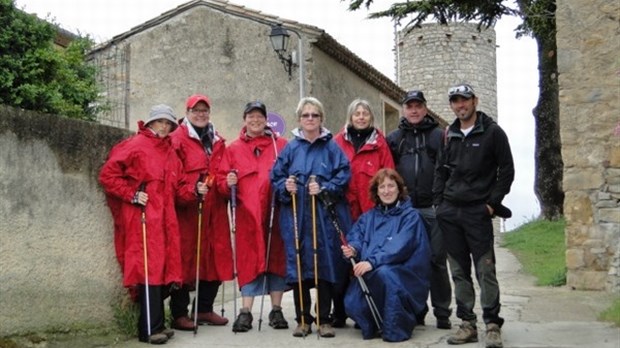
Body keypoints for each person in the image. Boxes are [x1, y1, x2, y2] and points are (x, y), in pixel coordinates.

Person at [100, 104, 206, 344]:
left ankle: (157, 323)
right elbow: (108, 175)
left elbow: (178, 191)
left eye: (168, 123)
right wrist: (132, 194)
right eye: (160, 122)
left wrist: (194, 190)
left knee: (162, 268)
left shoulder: (170, 151)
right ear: (150, 123)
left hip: (166, 220)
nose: (164, 127)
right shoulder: (135, 145)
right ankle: (148, 328)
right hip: (144, 218)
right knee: (149, 268)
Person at [433, 83, 514, 348]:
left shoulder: (493, 133)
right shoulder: (449, 134)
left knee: (485, 270)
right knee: (458, 271)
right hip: (450, 213)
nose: (460, 105)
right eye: (455, 101)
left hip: (478, 212)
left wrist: (491, 205)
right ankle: (467, 324)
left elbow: (507, 171)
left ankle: (492, 324)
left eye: (464, 100)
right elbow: (440, 172)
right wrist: (439, 204)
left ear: (475, 101)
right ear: (452, 105)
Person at [270, 97, 352, 338]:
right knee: (299, 265)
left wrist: (325, 188)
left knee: (323, 264)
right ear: (299, 119)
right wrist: (286, 187)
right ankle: (303, 318)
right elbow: (275, 178)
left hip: (323, 217)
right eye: (306, 115)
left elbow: (344, 174)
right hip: (296, 215)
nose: (310, 119)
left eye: (314, 115)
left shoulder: (331, 147)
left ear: (321, 119)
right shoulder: (291, 148)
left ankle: (324, 319)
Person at [215, 101, 289, 332]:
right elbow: (220, 181)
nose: (255, 120)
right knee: (248, 261)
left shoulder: (282, 146)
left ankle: (276, 310)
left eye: (260, 116)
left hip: (275, 214)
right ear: (244, 119)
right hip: (246, 218)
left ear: (266, 120)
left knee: (276, 259)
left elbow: (292, 174)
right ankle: (245, 311)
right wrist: (227, 184)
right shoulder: (233, 149)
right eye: (251, 116)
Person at [386, 90, 453, 329]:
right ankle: (416, 310)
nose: (413, 110)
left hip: (432, 208)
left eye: (418, 106)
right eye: (409, 106)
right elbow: (389, 173)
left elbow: (447, 169)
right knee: (409, 260)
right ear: (404, 109)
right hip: (405, 210)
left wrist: (442, 201)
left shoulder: (439, 136)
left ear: (425, 109)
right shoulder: (395, 138)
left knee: (436, 260)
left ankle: (443, 311)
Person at [342, 168, 430, 342]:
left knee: (386, 274)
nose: (386, 191)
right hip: (373, 269)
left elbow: (400, 247)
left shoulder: (411, 216)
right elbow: (357, 237)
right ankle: (372, 320)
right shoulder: (368, 217)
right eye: (382, 187)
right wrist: (353, 249)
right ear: (376, 191)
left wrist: (372, 262)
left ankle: (394, 328)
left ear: (399, 189)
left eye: (391, 186)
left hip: (405, 272)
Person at [168, 94, 232, 331]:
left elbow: (223, 173)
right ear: (187, 112)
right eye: (196, 110)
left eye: (205, 110)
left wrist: (228, 184)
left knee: (216, 258)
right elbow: (174, 177)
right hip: (189, 211)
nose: (201, 114)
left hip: (215, 210)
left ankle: (204, 309)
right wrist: (192, 190)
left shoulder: (218, 141)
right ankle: (179, 314)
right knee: (186, 260)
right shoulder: (177, 140)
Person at [332, 98, 394, 327]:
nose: (360, 117)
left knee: (366, 261)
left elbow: (389, 176)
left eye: (365, 113)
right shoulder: (338, 141)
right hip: (342, 212)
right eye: (356, 113)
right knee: (342, 259)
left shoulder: (380, 144)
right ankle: (338, 310)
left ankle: (363, 310)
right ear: (350, 117)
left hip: (371, 214)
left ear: (371, 117)